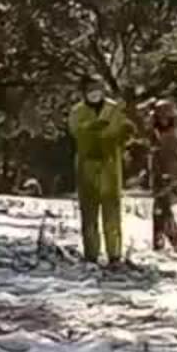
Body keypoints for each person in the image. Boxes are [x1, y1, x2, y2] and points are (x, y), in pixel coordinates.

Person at [68, 78, 135, 266]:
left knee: (112, 212)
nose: (94, 93)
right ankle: (91, 255)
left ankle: (115, 255)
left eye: (97, 89)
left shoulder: (115, 110)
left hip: (110, 166)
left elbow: (124, 135)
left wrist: (126, 134)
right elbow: (76, 133)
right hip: (87, 166)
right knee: (89, 213)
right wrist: (92, 128)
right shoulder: (77, 111)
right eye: (90, 89)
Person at [147, 99, 177, 259]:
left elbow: (175, 161)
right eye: (160, 115)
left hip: (166, 180)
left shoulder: (171, 136)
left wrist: (171, 179)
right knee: (158, 213)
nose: (163, 119)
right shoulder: (156, 134)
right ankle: (158, 246)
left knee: (164, 213)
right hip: (157, 179)